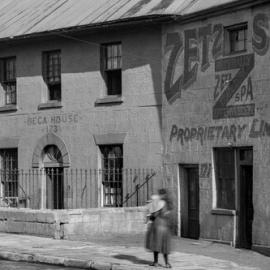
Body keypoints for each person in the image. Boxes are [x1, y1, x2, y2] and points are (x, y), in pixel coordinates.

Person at [145, 188, 172, 268]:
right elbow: (169, 214)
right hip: (165, 226)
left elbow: (155, 214)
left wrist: (150, 218)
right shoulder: (168, 203)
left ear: (160, 195)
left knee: (156, 244)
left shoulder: (159, 203)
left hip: (158, 224)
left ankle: (156, 262)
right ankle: (167, 263)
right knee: (165, 245)